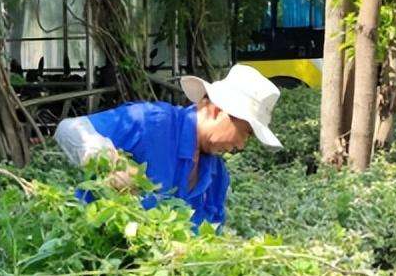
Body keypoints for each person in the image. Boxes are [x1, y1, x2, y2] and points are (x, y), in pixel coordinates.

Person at [54, 64, 282, 228]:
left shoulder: (216, 176)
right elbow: (69, 128)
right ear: (217, 110)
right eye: (245, 132)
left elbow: (211, 234)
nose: (241, 145)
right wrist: (109, 163)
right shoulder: (152, 122)